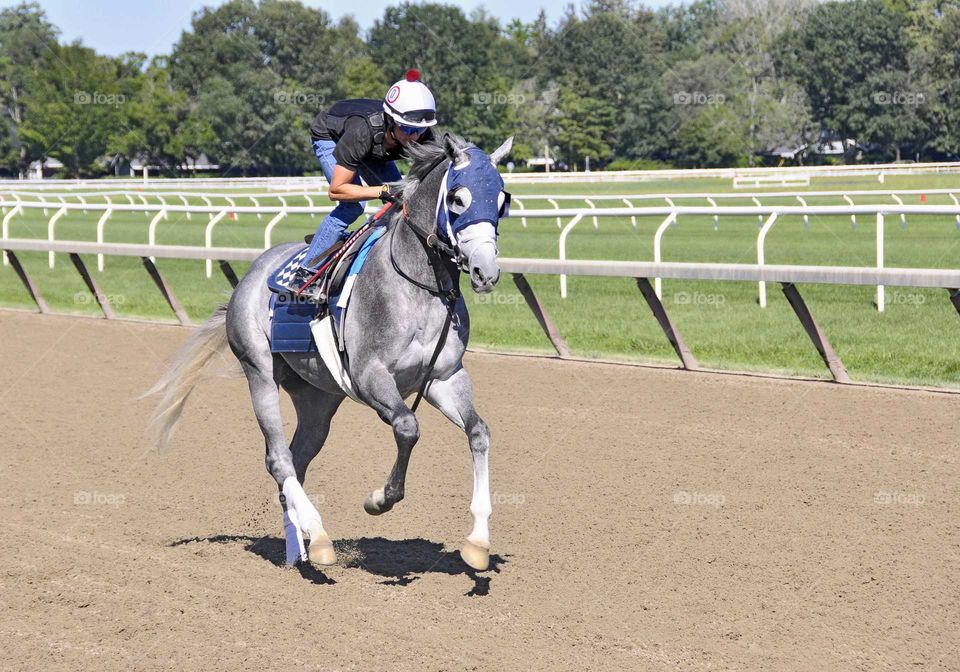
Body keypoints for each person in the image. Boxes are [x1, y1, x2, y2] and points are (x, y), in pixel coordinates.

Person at [289, 69, 437, 290]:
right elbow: (337, 190)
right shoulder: (362, 132)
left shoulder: (421, 134)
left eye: (420, 130)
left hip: (375, 149)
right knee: (354, 206)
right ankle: (307, 272)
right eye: (407, 129)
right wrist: (382, 190)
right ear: (390, 121)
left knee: (401, 201)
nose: (414, 137)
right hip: (332, 135)